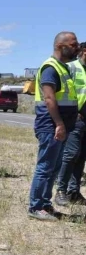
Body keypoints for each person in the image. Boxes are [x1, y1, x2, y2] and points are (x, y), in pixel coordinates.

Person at [28, 32, 81, 221]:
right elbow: (49, 98)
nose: (77, 47)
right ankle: (35, 206)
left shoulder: (63, 68)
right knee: (45, 166)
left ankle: (45, 203)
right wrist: (59, 124)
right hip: (50, 125)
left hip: (61, 125)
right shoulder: (50, 68)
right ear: (61, 46)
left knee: (54, 167)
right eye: (73, 44)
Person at [55, 42, 86, 206]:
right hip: (75, 119)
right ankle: (61, 190)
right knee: (71, 154)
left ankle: (74, 192)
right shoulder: (71, 67)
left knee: (81, 157)